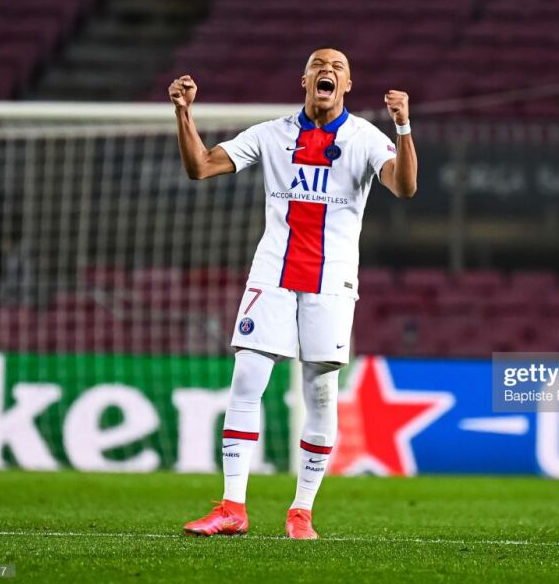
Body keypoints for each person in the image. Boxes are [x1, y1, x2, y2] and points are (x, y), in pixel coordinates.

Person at [169, 48, 416, 539]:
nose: (328, 70)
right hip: (272, 274)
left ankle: (301, 512)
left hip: (332, 280)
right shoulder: (271, 133)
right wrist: (183, 113)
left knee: (319, 393)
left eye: (338, 67)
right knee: (246, 379)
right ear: (304, 79)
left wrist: (403, 127)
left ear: (348, 85)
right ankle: (232, 508)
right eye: (318, 65)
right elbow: (200, 167)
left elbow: (404, 187)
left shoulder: (366, 138)